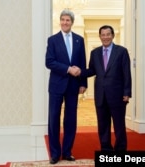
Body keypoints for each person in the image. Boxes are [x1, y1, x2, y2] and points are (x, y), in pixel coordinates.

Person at [80, 25, 132, 151]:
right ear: (100, 37)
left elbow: (126, 73)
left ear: (113, 35)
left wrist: (127, 92)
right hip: (100, 95)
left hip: (118, 95)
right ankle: (106, 148)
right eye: (103, 35)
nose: (105, 37)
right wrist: (79, 72)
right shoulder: (95, 53)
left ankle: (120, 149)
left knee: (119, 125)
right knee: (103, 125)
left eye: (108, 34)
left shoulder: (121, 51)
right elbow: (92, 70)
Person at [45, 9, 87, 164]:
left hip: (73, 86)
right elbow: (49, 62)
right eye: (62, 19)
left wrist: (83, 83)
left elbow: (83, 61)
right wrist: (68, 69)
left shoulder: (79, 40)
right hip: (56, 85)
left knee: (70, 120)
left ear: (72, 22)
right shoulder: (52, 40)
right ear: (60, 21)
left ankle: (67, 151)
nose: (64, 22)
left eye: (67, 20)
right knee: (54, 119)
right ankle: (55, 154)